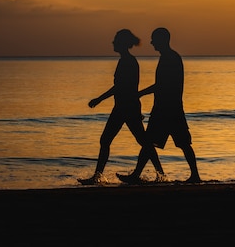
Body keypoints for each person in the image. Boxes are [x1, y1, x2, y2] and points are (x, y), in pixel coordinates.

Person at [78, 29, 163, 185]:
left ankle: (161, 174)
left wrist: (99, 99)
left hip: (127, 108)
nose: (113, 43)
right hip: (123, 107)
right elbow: (119, 86)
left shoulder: (128, 62)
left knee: (138, 141)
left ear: (122, 43)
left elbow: (119, 87)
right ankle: (97, 176)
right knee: (115, 140)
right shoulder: (126, 61)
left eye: (115, 40)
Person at [117, 27, 201, 184]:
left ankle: (194, 175)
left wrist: (139, 94)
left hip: (168, 109)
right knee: (155, 142)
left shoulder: (170, 58)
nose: (151, 42)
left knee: (180, 143)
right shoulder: (169, 57)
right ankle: (138, 174)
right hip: (167, 108)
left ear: (162, 40)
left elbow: (161, 85)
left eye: (154, 39)